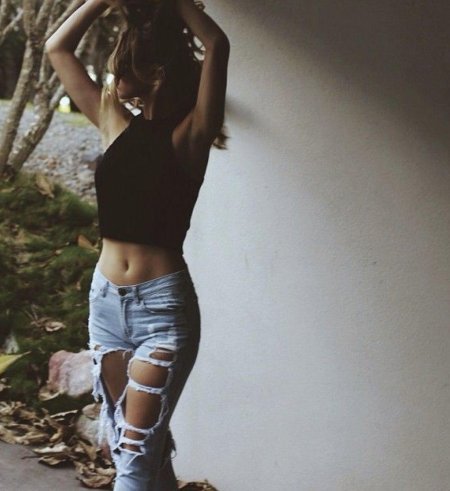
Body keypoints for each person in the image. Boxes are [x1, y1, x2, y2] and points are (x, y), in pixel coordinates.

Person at [44, 0, 230, 489]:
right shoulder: (115, 123)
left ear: (154, 73)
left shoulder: (192, 134)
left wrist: (178, 4)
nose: (111, 76)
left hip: (160, 311)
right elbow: (57, 48)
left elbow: (216, 44)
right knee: (141, 447)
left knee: (132, 459)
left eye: (119, 66)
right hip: (105, 304)